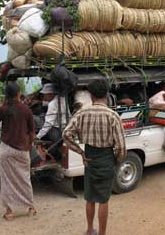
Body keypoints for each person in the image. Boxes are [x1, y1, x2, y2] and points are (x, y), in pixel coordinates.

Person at [63, 79, 126, 235]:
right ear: (106, 95)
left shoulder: (82, 113)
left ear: (91, 95)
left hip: (89, 157)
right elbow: (121, 146)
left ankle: (90, 230)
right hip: (106, 158)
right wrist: (117, 160)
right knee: (104, 200)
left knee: (90, 198)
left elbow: (66, 134)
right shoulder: (113, 116)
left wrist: (81, 152)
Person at [0, 81, 37, 220]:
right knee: (25, 179)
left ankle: (10, 211)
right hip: (22, 149)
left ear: (6, 95)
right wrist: (30, 146)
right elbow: (32, 132)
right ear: (19, 93)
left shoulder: (3, 109)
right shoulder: (26, 109)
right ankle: (30, 208)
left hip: (6, 149)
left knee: (7, 181)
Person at [36, 83, 70, 157]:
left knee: (34, 118)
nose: (44, 96)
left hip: (56, 133)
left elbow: (48, 123)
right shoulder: (63, 99)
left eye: (45, 94)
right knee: (42, 115)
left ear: (50, 94)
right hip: (64, 130)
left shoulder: (52, 104)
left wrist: (38, 136)